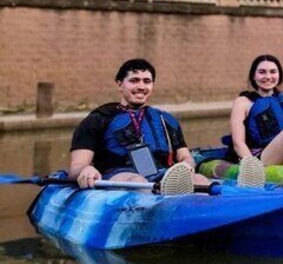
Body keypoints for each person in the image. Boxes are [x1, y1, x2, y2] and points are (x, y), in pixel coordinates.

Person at [68, 59, 211, 194]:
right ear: (119, 84)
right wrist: (85, 169)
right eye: (134, 81)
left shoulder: (165, 119)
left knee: (200, 180)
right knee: (138, 182)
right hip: (119, 175)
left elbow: (185, 156)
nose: (141, 87)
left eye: (147, 81)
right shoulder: (98, 119)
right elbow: (76, 167)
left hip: (162, 175)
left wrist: (187, 165)